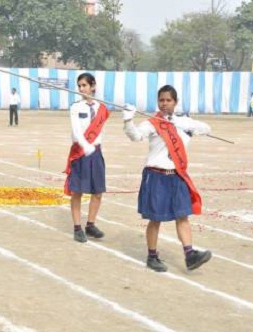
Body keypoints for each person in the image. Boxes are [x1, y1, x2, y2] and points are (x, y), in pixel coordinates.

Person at [122, 85, 212, 272]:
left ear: (175, 102)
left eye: (168, 100)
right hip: (157, 177)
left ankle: (190, 255)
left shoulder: (183, 122)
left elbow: (207, 128)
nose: (164, 104)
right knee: (155, 219)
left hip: (176, 176)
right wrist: (128, 120)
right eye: (161, 100)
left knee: (182, 215)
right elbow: (135, 136)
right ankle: (152, 256)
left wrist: (189, 126)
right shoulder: (152, 123)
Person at [64, 73, 109, 243]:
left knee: (97, 191)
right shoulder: (76, 107)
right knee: (77, 191)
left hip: (96, 153)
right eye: (79, 86)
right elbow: (76, 131)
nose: (82, 89)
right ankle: (77, 228)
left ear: (93, 86)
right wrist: (85, 145)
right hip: (80, 152)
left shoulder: (102, 108)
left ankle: (90, 225)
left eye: (84, 85)